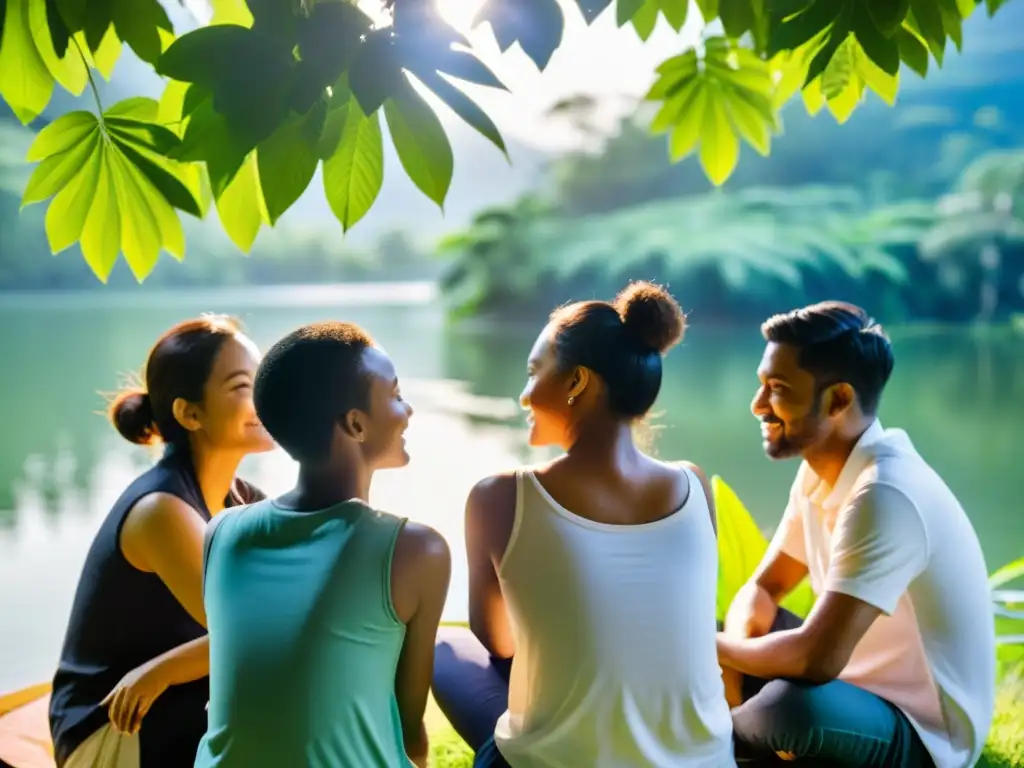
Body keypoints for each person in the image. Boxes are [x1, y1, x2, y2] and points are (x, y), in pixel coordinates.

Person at [433, 281, 735, 768]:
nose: (524, 394)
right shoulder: (693, 485)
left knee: (445, 646)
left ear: (576, 383)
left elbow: (500, 642)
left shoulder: (502, 497)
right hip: (706, 760)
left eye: (534, 372)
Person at [718, 301, 996, 768]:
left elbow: (815, 660)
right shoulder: (820, 468)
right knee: (725, 640)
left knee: (788, 708)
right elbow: (766, 586)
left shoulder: (886, 494)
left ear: (839, 399)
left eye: (777, 388)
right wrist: (730, 666)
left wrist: (716, 652)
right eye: (762, 384)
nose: (758, 404)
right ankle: (737, 728)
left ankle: (717, 735)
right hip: (850, 685)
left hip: (920, 731)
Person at [194, 321, 451, 768]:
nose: (407, 410)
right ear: (355, 424)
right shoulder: (413, 550)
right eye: (394, 395)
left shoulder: (222, 532)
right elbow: (410, 731)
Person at [49, 315, 275, 767]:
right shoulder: (161, 511)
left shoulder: (240, 500)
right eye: (243, 386)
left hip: (164, 699)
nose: (267, 398)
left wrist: (162, 670)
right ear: (190, 413)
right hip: (110, 729)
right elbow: (251, 638)